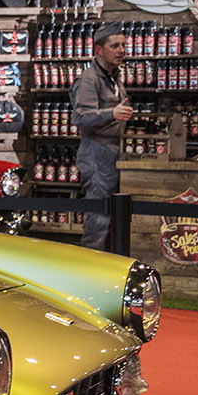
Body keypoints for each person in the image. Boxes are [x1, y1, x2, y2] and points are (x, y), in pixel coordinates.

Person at [70, 23, 133, 251]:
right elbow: (81, 118)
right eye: (114, 46)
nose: (121, 50)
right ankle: (90, 273)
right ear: (99, 50)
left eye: (124, 45)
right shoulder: (89, 80)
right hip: (97, 153)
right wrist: (111, 113)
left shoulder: (114, 77)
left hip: (114, 152)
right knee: (98, 221)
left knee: (114, 220)